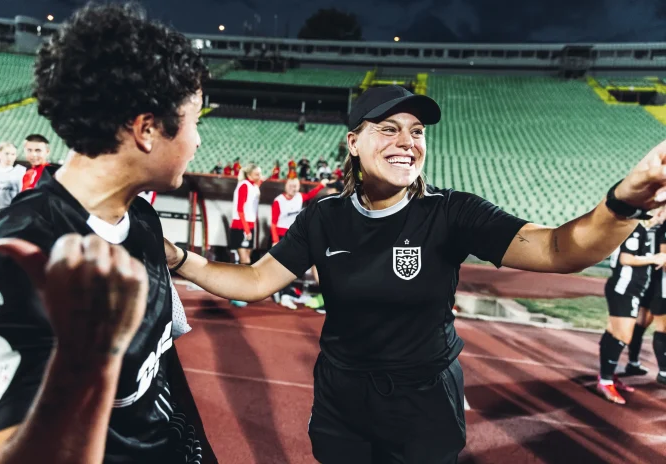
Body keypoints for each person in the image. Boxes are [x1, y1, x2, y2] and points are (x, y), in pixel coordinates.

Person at [164, 84, 666, 463]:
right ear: (353, 142)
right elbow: (255, 281)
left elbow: (559, 250)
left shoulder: (452, 213)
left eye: (417, 131)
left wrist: (622, 204)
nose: (408, 141)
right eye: (389, 128)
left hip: (424, 401)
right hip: (342, 397)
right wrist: (179, 259)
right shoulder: (324, 217)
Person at [0, 4, 216, 463]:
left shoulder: (142, 218)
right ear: (146, 129)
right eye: (195, 120)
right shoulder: (20, 252)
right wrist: (85, 361)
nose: (198, 140)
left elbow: (160, 366)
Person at [599, 211, 666, 404]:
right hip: (624, 289)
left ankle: (608, 376)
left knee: (613, 332)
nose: (661, 214)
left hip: (629, 289)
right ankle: (605, 381)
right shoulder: (636, 228)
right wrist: (654, 258)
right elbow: (626, 259)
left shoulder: (641, 229)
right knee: (622, 336)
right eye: (659, 210)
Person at [271, 178, 327, 309]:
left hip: (294, 235)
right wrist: (275, 240)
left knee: (291, 267)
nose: (293, 188)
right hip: (280, 235)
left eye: (296, 186)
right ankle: (282, 294)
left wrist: (321, 185)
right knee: (283, 267)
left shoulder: (300, 197)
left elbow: (310, 195)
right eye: (291, 185)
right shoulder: (279, 200)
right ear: (285, 186)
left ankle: (284, 294)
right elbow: (273, 222)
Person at [627, 207, 666, 386]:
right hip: (661, 284)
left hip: (647, 280)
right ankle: (664, 372)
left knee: (641, 323)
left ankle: (633, 362)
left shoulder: (652, 227)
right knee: (662, 328)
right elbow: (664, 260)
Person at [228, 163, 262, 307]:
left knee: (246, 258)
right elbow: (240, 209)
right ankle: (238, 292)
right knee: (244, 259)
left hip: (249, 225)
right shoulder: (244, 185)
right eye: (257, 174)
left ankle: (235, 291)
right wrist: (247, 230)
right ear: (249, 175)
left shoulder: (253, 186)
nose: (260, 176)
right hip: (241, 225)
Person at [0, 142, 26, 214]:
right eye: (6, 153)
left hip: (11, 210)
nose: (9, 157)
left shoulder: (21, 171)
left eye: (13, 154)